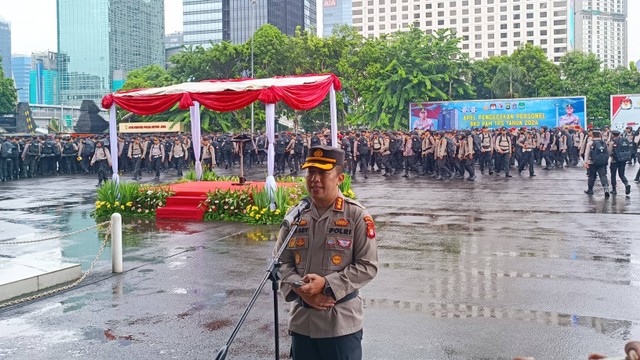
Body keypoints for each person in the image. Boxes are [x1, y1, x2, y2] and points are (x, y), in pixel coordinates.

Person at [275, 145, 378, 360]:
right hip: (302, 322)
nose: (314, 179)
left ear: (340, 178)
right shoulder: (295, 216)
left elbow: (367, 266)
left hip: (340, 324)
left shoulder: (356, 215)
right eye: (311, 172)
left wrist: (326, 284)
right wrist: (300, 288)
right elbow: (280, 263)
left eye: (322, 173)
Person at [583, 130, 610, 197]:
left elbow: (587, 153)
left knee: (592, 176)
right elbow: (607, 152)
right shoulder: (604, 143)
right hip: (602, 162)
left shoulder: (590, 143)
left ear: (592, 135)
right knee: (603, 175)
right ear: (600, 135)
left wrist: (585, 162)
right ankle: (606, 188)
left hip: (592, 162)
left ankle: (590, 189)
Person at [608, 130, 632, 195]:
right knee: (621, 174)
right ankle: (626, 184)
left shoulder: (612, 142)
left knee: (613, 175)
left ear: (612, 135)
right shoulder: (624, 140)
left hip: (614, 160)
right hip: (623, 159)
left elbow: (609, 152)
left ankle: (614, 190)